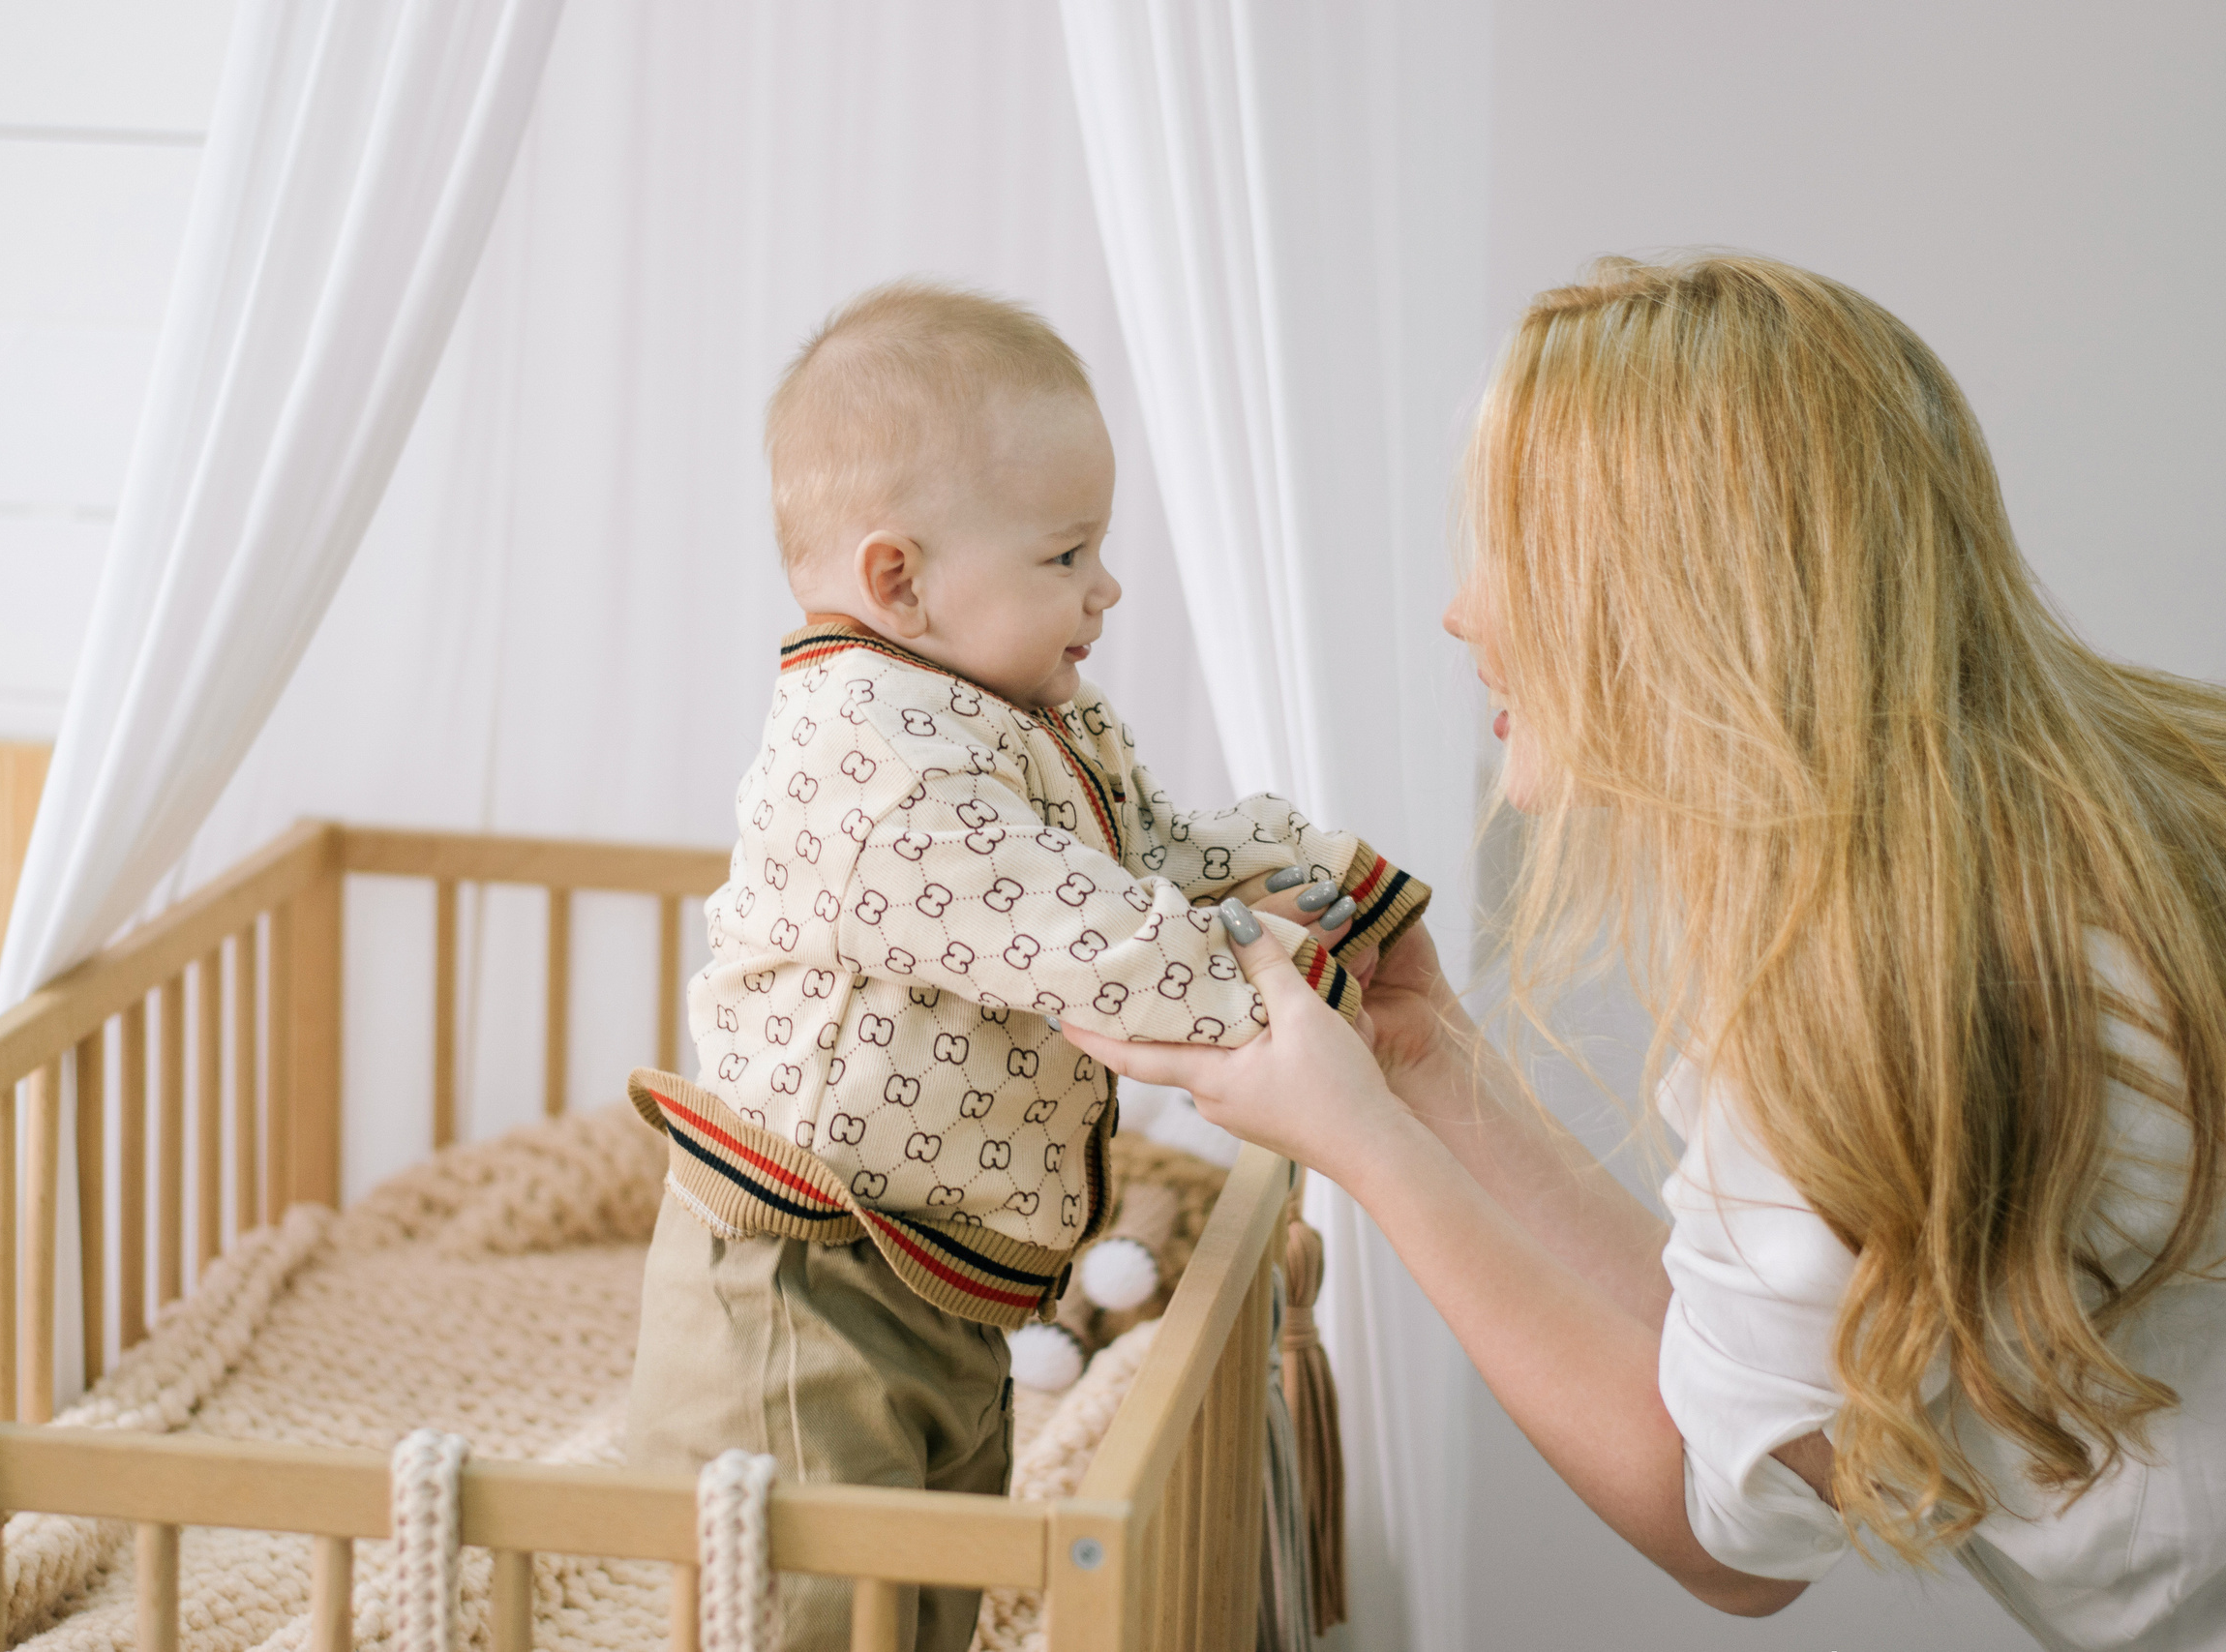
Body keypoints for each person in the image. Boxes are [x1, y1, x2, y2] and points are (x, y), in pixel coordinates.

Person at [1067, 254, 2226, 1650]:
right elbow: (1732, 1367)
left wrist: (1363, 1147)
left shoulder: (1853, 983)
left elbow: (1728, 1530)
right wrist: (1428, 1070)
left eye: (1503, 546)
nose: (1462, 611)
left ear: (1666, 589)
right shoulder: (2067, 833)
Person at [622, 277, 1429, 1651]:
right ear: (900, 579)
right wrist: (1273, 1001)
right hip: (798, 1291)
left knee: (926, 1608)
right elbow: (1087, 940)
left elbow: (1147, 851)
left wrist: (1304, 871)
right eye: (1067, 556)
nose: (1106, 588)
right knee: (809, 1618)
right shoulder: (873, 757)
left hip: (936, 1281)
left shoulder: (1020, 716)